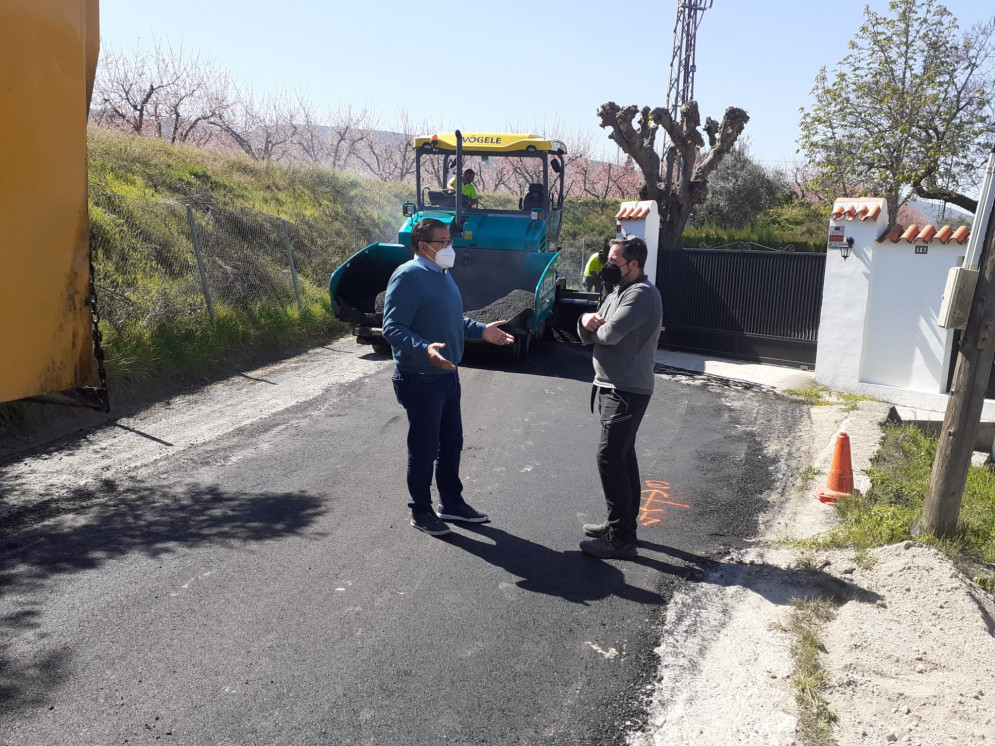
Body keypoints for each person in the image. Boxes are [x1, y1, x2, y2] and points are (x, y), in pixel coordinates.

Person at [382, 217, 514, 536]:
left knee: (451, 444)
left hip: (446, 375)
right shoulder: (408, 276)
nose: (449, 247)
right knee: (425, 447)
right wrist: (425, 349)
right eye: (442, 242)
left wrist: (483, 330)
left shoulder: (442, 275)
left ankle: (451, 504)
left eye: (449, 241)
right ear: (421, 246)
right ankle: (421, 509)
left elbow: (454, 320)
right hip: (420, 377)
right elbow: (392, 327)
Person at [576, 236, 663, 559]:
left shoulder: (640, 295)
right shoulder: (618, 292)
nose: (608, 266)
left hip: (626, 389)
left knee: (610, 458)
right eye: (608, 259)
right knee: (623, 457)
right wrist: (584, 320)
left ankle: (621, 539)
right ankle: (620, 525)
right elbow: (592, 327)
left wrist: (589, 325)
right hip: (612, 386)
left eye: (614, 261)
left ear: (634, 264)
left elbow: (609, 334)